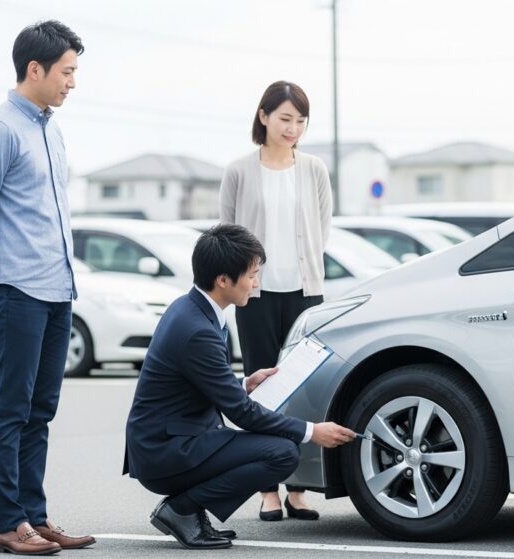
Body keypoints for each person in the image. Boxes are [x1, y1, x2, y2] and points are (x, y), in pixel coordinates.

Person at [123, 224, 355, 550]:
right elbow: (242, 414)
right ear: (223, 279)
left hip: (172, 440)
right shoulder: (197, 329)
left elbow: (197, 381)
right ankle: (182, 509)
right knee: (282, 453)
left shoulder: (191, 308)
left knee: (276, 446)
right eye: (251, 275)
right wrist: (311, 431)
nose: (256, 283)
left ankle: (190, 511)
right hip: (166, 453)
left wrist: (244, 383)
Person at [0, 20, 94, 556]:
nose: (72, 83)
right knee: (11, 409)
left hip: (57, 289)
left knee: (41, 410)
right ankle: (8, 523)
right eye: (67, 72)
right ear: (34, 69)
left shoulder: (50, 129)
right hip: (16, 289)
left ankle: (34, 516)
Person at [219, 80, 333, 521]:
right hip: (255, 295)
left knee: (304, 386)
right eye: (285, 118)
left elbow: (321, 228)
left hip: (305, 291)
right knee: (262, 388)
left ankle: (298, 487)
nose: (293, 128)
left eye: (301, 121)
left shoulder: (314, 169)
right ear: (263, 116)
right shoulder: (238, 170)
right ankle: (266, 488)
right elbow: (227, 233)